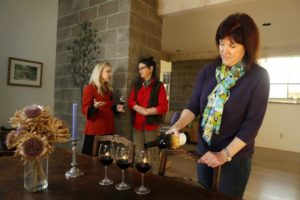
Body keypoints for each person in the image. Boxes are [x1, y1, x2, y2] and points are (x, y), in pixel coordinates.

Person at [167, 13, 270, 198]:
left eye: (232, 45)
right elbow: (193, 106)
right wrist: (178, 125)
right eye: (221, 43)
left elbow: (251, 125)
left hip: (234, 158)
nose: (224, 50)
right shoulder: (208, 71)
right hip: (204, 152)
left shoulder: (258, 77)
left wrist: (224, 154)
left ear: (248, 46)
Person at [128, 56, 168, 173]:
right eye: (139, 69)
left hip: (152, 126)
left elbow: (163, 107)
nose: (139, 71)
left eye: (142, 68)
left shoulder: (159, 86)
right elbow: (130, 102)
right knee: (138, 154)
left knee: (153, 154)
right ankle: (138, 178)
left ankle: (154, 179)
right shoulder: (137, 84)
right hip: (137, 126)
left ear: (150, 68)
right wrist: (140, 109)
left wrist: (148, 111)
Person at [81, 62, 125, 156]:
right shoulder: (89, 88)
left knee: (104, 161)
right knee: (90, 162)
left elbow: (107, 107)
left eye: (111, 71)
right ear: (99, 72)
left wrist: (116, 108)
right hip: (95, 133)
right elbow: (84, 109)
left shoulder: (108, 89)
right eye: (108, 71)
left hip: (108, 130)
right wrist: (94, 107)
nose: (111, 74)